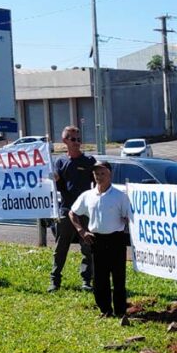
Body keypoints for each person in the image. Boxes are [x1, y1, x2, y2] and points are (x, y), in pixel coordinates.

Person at [69, 160, 133, 319]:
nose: (99, 176)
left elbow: (129, 218)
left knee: (118, 277)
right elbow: (73, 213)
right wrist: (81, 231)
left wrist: (126, 223)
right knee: (99, 278)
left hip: (116, 239)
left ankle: (120, 311)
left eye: (102, 173)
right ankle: (105, 310)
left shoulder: (120, 196)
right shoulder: (87, 195)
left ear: (110, 174)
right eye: (96, 173)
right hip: (96, 240)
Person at [49, 125, 95, 292]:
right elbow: (56, 182)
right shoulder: (60, 162)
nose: (77, 143)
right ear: (65, 141)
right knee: (61, 247)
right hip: (66, 209)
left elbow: (97, 184)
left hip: (85, 211)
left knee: (87, 247)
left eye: (79, 139)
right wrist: (53, 177)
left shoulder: (89, 162)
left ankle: (86, 280)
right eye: (73, 139)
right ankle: (55, 280)